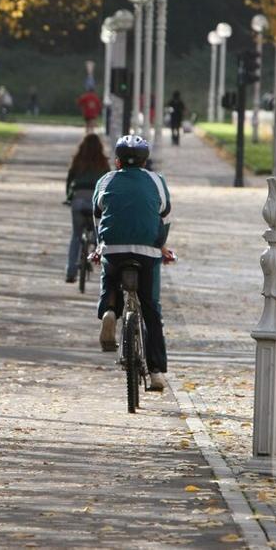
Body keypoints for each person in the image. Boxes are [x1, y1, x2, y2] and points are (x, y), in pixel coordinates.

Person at [92, 135, 175, 392]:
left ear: (117, 161)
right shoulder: (156, 180)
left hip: (114, 248)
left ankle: (109, 310)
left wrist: (99, 247)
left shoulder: (106, 180)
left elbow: (98, 213)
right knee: (151, 311)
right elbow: (164, 213)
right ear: (145, 160)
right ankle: (157, 373)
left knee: (110, 273)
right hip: (147, 251)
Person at [65, 133, 110, 283]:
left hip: (78, 201)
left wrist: (69, 197)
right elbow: (109, 183)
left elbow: (69, 180)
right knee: (100, 235)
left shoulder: (77, 160)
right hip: (96, 203)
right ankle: (104, 268)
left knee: (76, 236)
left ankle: (71, 272)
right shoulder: (103, 163)